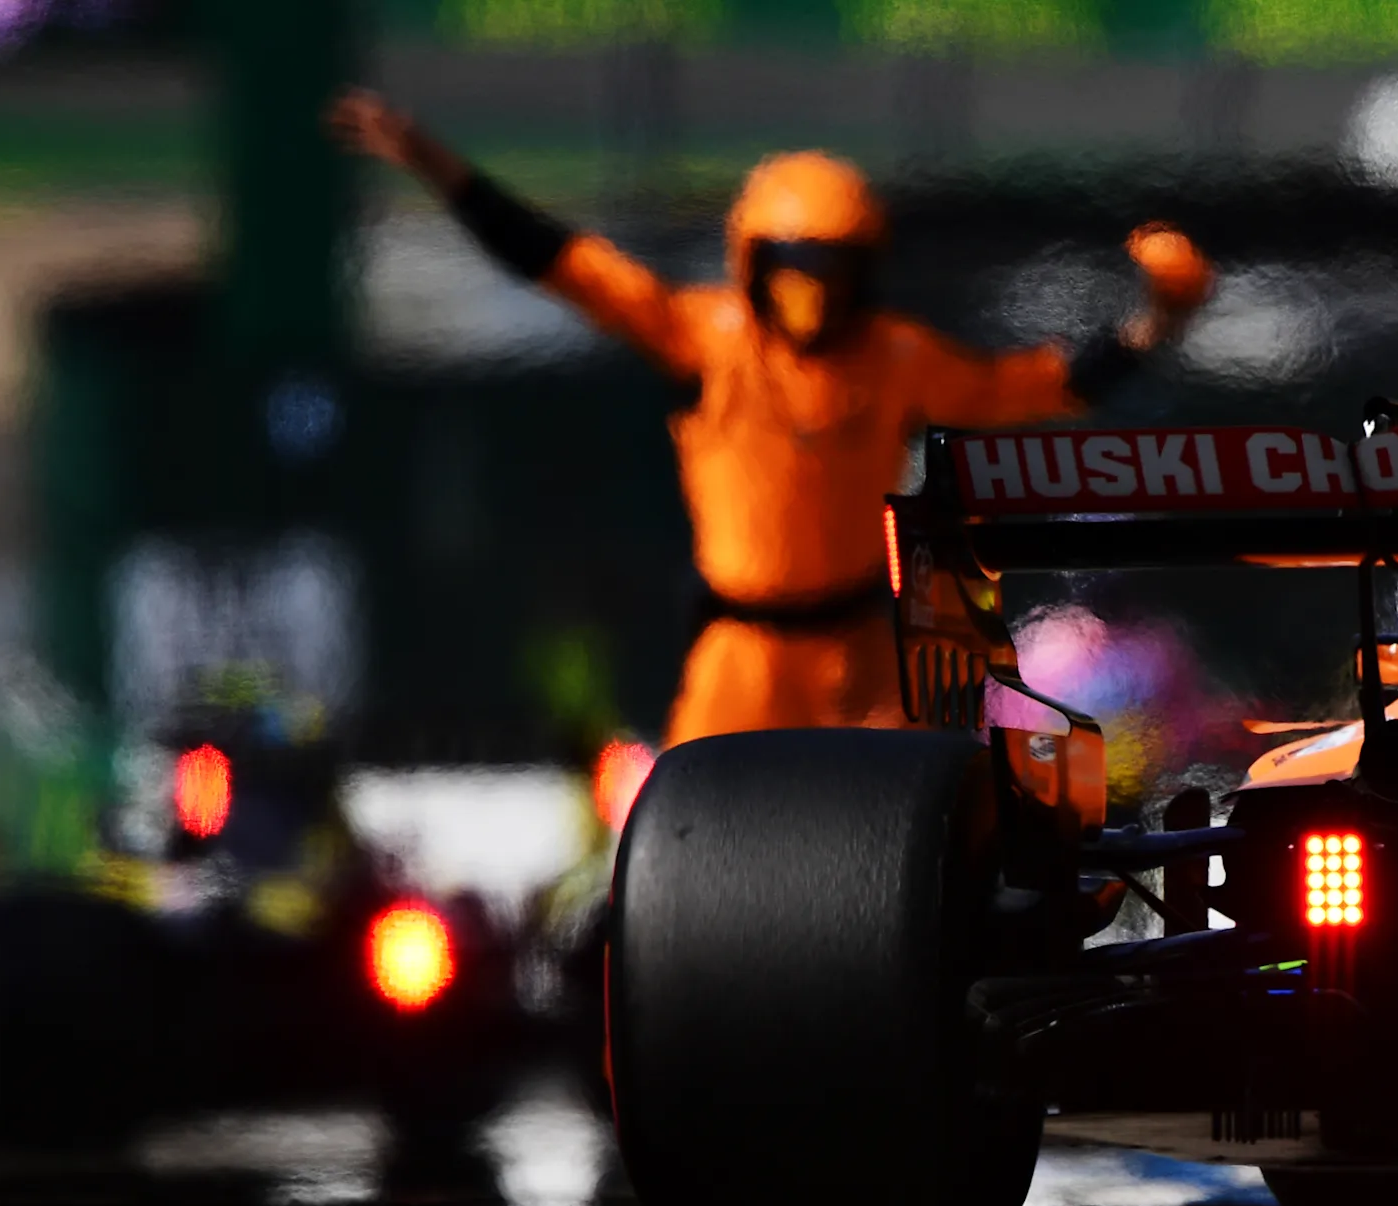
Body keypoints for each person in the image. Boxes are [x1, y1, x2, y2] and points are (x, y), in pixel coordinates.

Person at [327, 90, 1217, 745]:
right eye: (790, 275)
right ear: (750, 265)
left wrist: (1154, 324)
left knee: (903, 829)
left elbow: (1038, 387)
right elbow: (565, 263)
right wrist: (433, 162)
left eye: (828, 276)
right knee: (686, 835)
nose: (808, 302)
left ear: (862, 272)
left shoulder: (896, 358)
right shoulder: (707, 339)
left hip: (860, 650)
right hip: (741, 652)